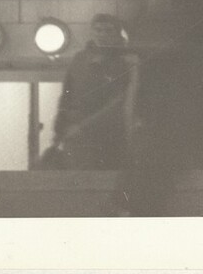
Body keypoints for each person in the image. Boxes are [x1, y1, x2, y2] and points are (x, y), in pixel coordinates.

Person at [51, 13, 139, 170]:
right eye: (98, 30)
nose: (102, 35)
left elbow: (119, 101)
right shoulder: (80, 59)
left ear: (117, 34)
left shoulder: (125, 62)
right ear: (92, 32)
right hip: (77, 138)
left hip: (108, 137)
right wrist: (60, 128)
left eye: (108, 30)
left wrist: (82, 127)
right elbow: (67, 93)